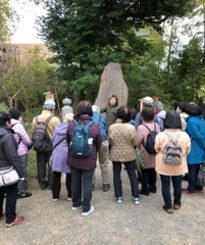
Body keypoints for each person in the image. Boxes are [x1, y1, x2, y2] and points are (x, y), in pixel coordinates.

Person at [66, 100, 102, 216]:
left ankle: (76, 204)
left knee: (75, 181)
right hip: (88, 159)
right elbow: (99, 143)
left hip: (73, 158)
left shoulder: (71, 124)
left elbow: (68, 140)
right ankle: (86, 208)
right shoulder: (94, 125)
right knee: (87, 183)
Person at [155, 111, 191, 214]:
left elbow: (156, 149)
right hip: (179, 164)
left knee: (165, 185)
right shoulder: (185, 135)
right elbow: (188, 151)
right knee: (177, 184)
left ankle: (168, 206)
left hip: (164, 164)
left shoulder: (161, 135)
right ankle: (177, 203)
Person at [108, 106, 141, 204]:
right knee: (132, 175)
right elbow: (135, 142)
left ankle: (119, 197)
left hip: (116, 153)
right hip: (129, 153)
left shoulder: (112, 127)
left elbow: (110, 141)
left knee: (116, 174)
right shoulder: (131, 127)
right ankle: (136, 197)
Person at [0, 112, 25, 227]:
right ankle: (10, 219)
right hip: (6, 171)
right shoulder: (7, 135)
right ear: (7, 122)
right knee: (11, 192)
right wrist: (21, 172)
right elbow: (13, 157)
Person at [31, 99, 61, 190]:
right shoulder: (55, 119)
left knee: (40, 165)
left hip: (39, 145)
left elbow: (33, 132)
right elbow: (59, 133)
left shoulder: (35, 119)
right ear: (52, 108)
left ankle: (43, 184)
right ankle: (51, 183)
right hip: (51, 145)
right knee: (52, 164)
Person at [9, 107, 33, 199]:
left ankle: (12, 189)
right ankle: (21, 191)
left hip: (10, 152)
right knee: (21, 170)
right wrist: (31, 144)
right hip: (21, 151)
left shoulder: (6, 124)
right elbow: (26, 139)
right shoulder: (18, 125)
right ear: (18, 117)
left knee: (12, 170)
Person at [136, 107, 160, 195]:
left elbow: (137, 141)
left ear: (142, 116)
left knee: (144, 171)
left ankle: (145, 189)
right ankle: (153, 187)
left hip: (144, 151)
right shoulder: (156, 125)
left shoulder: (141, 127)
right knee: (153, 170)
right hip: (154, 151)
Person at [51, 113, 74, 202]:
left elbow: (53, 139)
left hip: (57, 153)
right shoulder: (72, 129)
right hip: (68, 153)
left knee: (56, 175)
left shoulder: (57, 128)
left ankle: (55, 196)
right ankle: (70, 195)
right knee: (70, 175)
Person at [184, 103, 205, 195]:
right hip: (201, 148)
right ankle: (196, 186)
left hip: (195, 147)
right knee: (196, 168)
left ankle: (191, 189)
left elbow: (196, 136)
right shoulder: (201, 119)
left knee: (192, 168)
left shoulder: (191, 121)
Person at [92, 105, 110, 192]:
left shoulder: (88, 118)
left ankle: (91, 184)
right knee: (104, 163)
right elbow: (106, 129)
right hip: (103, 141)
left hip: (92, 142)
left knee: (91, 163)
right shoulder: (102, 118)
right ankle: (105, 184)